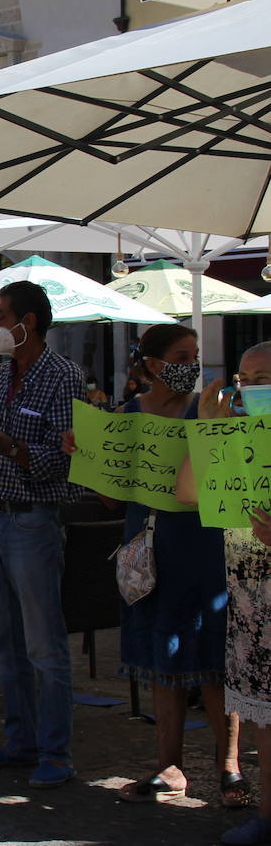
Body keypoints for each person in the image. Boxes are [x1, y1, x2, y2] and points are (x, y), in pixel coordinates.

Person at [66, 325, 245, 807]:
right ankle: (169, 766)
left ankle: (229, 768)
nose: (193, 363)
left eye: (196, 354)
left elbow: (228, 475)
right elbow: (109, 498)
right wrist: (85, 457)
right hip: (147, 547)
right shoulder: (124, 416)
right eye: (181, 356)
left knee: (212, 659)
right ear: (150, 363)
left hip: (204, 545)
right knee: (160, 657)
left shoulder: (208, 408)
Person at [0, 280, 84, 789]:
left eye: (0, 316)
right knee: (6, 640)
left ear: (26, 322)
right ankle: (20, 742)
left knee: (43, 643)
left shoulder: (64, 377)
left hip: (32, 519)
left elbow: (69, 459)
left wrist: (13, 449)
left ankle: (55, 753)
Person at [180, 342, 271, 846]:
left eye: (264, 379)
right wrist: (206, 430)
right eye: (246, 379)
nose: (253, 389)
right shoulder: (232, 437)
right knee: (264, 713)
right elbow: (189, 491)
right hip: (251, 596)